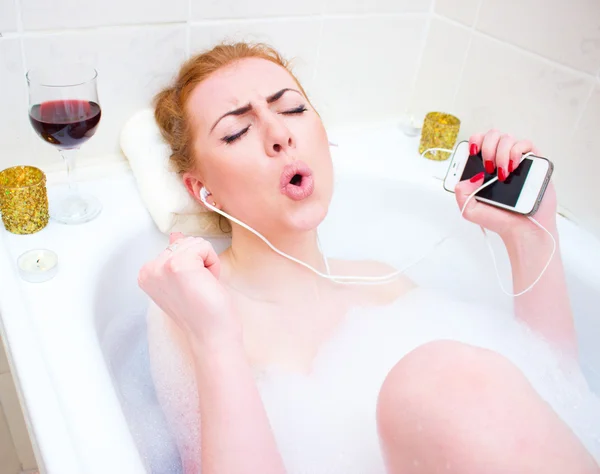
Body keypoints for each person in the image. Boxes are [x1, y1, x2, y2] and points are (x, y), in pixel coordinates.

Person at [138, 42, 600, 474]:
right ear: (203, 190)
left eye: (294, 109)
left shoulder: (383, 282)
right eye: (237, 131)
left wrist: (533, 238)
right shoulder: (196, 311)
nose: (280, 134)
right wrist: (217, 338)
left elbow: (556, 398)